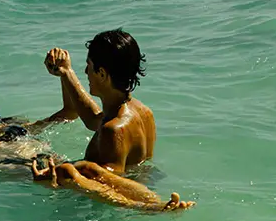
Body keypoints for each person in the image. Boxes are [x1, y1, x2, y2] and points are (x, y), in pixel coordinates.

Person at [37, 30, 192, 211]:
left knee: (14, 154)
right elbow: (94, 119)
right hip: (142, 185)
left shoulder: (114, 130)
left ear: (102, 74)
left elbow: (107, 185)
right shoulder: (142, 112)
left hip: (106, 210)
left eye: (89, 65)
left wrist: (65, 174)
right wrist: (66, 72)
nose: (86, 71)